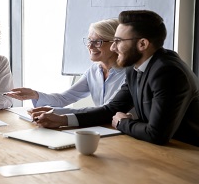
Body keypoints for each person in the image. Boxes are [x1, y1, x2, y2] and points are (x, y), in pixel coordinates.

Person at [31, 10, 199, 147]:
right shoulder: (134, 68)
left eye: (118, 41)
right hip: (161, 148)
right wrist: (63, 120)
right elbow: (111, 109)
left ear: (142, 44)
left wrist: (122, 123)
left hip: (187, 152)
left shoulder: (168, 72)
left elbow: (156, 134)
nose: (112, 47)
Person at [6, 18, 126, 109]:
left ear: (115, 43)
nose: (90, 46)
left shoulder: (129, 74)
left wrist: (60, 116)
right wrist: (34, 94)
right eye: (89, 40)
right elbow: (65, 98)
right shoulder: (94, 71)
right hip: (105, 129)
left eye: (98, 42)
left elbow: (107, 110)